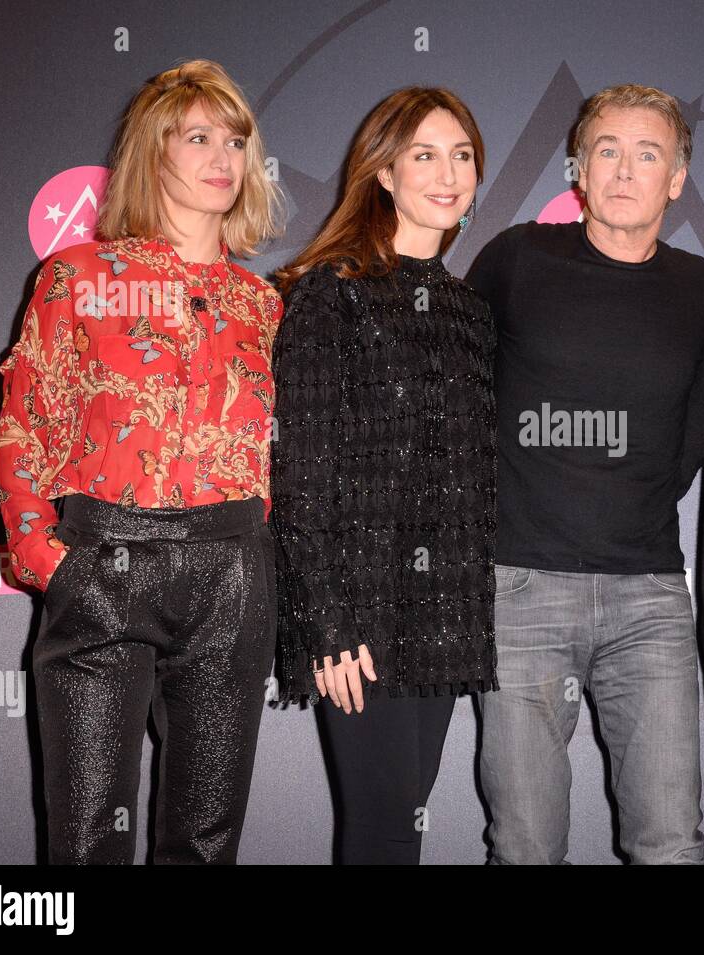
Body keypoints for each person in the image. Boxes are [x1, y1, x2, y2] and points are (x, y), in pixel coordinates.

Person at [0, 59, 283, 863]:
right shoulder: (75, 278)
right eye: (198, 137)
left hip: (232, 570)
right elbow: (27, 421)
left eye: (235, 140)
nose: (223, 156)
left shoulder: (263, 304)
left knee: (205, 843)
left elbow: (273, 451)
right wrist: (45, 559)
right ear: (153, 154)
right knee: (84, 841)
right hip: (104, 563)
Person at [465, 84, 704, 864]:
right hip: (520, 592)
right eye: (607, 149)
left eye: (649, 154)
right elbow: (457, 398)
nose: (625, 170)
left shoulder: (694, 285)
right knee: (527, 844)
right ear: (578, 166)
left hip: (651, 600)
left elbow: (690, 438)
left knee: (672, 841)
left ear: (676, 178)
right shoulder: (515, 259)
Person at [270, 87, 496, 865]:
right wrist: (328, 626)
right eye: (425, 154)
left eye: (462, 155)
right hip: (358, 613)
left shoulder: (471, 310)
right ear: (385, 173)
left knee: (404, 822)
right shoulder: (331, 293)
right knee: (384, 831)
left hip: (444, 613)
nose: (448, 172)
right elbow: (300, 474)